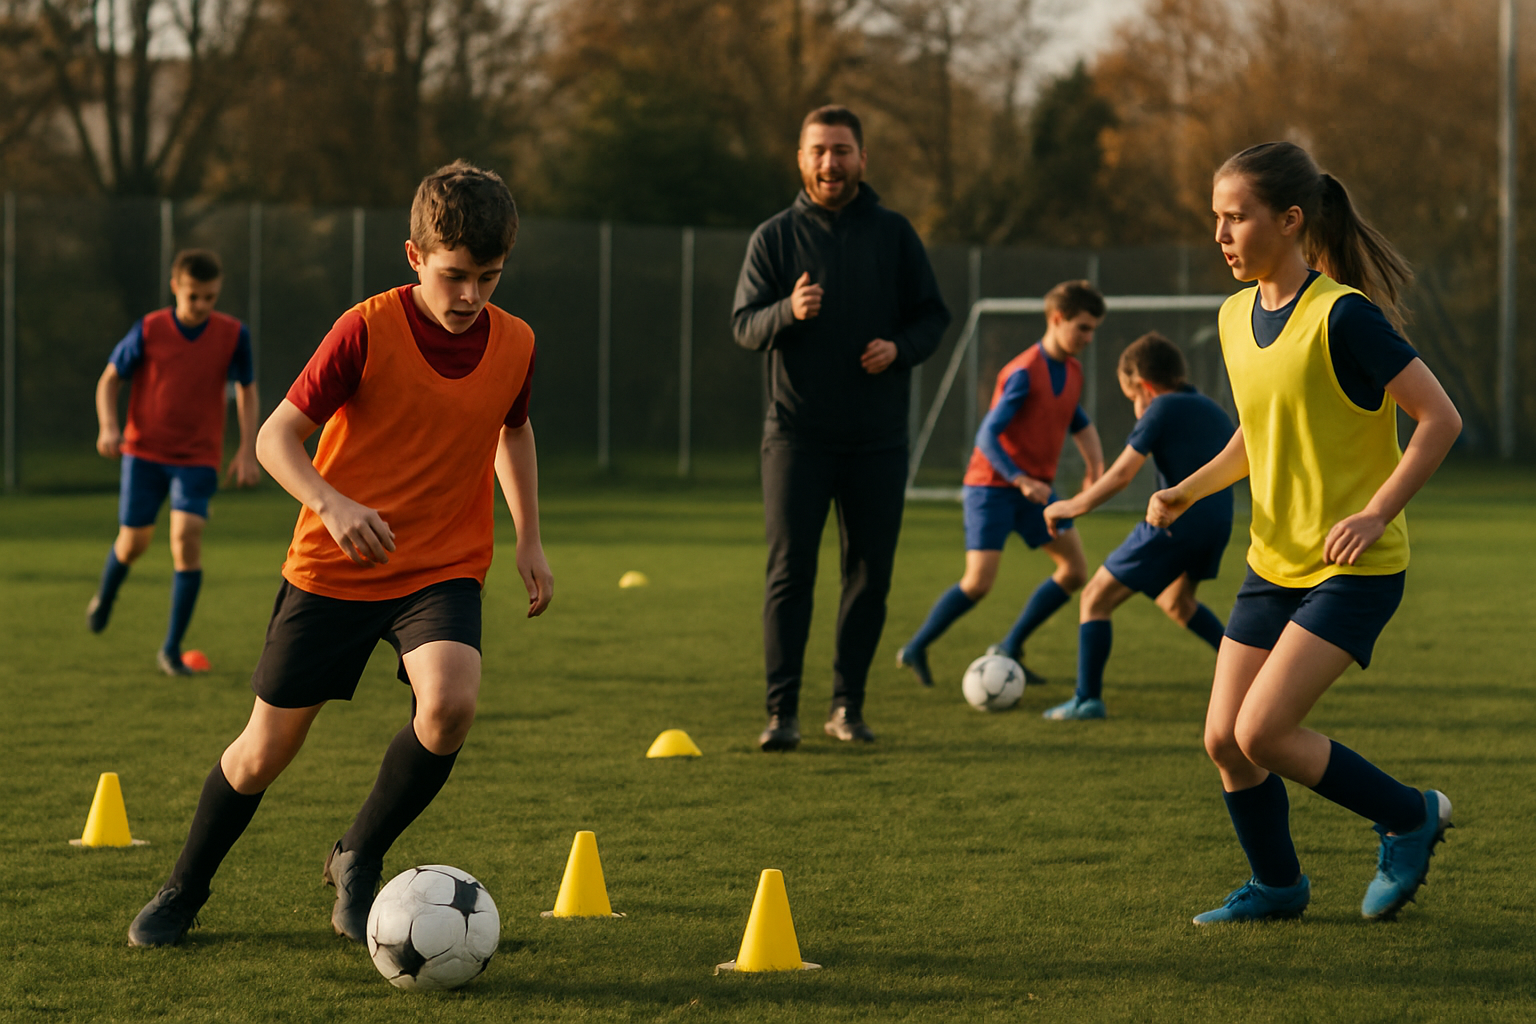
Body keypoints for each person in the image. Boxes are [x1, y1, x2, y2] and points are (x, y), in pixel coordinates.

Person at [127, 161, 551, 947]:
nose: (471, 298)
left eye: (489, 278)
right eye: (455, 276)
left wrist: (527, 535)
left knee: (451, 703)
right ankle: (184, 889)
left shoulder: (516, 342)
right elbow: (273, 436)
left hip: (441, 564)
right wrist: (332, 502)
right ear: (414, 256)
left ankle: (358, 856)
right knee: (263, 753)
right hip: (334, 568)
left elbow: (513, 430)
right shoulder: (366, 327)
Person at [1148, 142, 1461, 925]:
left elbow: (1439, 418)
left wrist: (1377, 509)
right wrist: (1186, 489)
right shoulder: (1231, 316)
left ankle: (1409, 815)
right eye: (1214, 218)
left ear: (1290, 221)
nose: (1220, 234)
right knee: (1224, 740)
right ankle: (1280, 886)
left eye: (1235, 218)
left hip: (1354, 568)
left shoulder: (1344, 316)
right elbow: (1259, 435)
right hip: (1273, 564)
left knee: (1262, 731)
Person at [732, 105, 951, 751]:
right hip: (795, 437)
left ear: (862, 158)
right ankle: (782, 714)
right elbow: (743, 326)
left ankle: (846, 707)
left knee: (869, 575)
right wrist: (787, 311)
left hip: (877, 440)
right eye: (819, 150)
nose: (831, 162)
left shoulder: (894, 233)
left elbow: (933, 316)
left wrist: (899, 348)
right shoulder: (772, 238)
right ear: (801, 159)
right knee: (789, 575)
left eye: (843, 150)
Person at [897, 281, 1105, 689]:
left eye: (1093, 329)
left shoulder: (1073, 370)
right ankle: (916, 647)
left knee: (1075, 570)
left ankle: (1009, 647)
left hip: (1037, 491)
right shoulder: (1023, 372)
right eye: (1082, 328)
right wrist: (1019, 478)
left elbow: (1077, 420)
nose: (1088, 338)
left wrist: (1095, 466)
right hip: (992, 488)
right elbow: (987, 436)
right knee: (978, 583)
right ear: (1057, 319)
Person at [1037, 332, 1235, 721]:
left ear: (1144, 386)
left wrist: (1070, 507)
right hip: (1217, 524)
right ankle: (1250, 667)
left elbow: (1122, 474)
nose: (1136, 409)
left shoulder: (1160, 409)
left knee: (1094, 597)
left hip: (1174, 521)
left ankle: (1086, 699)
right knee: (1178, 603)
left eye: (1132, 399)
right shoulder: (1212, 409)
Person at [89, 248, 261, 675]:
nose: (202, 305)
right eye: (193, 297)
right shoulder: (149, 329)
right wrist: (108, 427)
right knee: (134, 543)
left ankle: (171, 648)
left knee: (186, 540)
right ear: (175, 289)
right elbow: (110, 380)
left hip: (198, 458)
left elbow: (247, 390)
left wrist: (246, 446)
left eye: (210, 297)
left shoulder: (233, 335)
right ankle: (107, 594)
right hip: (144, 453)